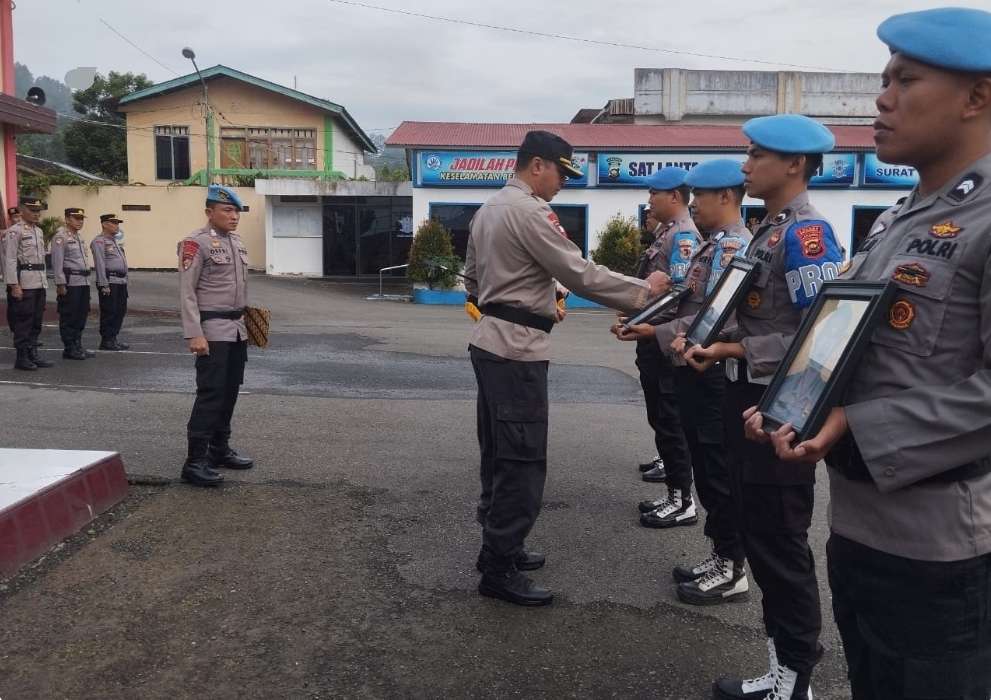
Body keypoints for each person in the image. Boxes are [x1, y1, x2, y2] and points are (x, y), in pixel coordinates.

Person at [747, 8, 991, 699]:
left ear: (976, 97)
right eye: (883, 78)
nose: (879, 99)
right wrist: (787, 403)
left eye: (904, 79)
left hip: (939, 549)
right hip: (858, 528)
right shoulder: (897, 217)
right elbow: (841, 337)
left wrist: (857, 423)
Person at [465, 130, 670, 607]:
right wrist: (646, 291)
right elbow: (579, 272)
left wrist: (526, 298)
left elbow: (474, 278)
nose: (563, 183)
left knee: (498, 452)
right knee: (521, 459)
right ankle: (498, 567)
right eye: (561, 172)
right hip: (517, 349)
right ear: (537, 165)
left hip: (492, 342)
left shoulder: (490, 208)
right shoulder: (530, 211)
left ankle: (500, 547)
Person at [680, 115, 843, 700]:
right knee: (759, 532)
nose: (745, 165)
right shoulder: (767, 230)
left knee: (778, 539)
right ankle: (783, 666)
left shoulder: (807, 235)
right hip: (745, 394)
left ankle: (793, 675)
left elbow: (820, 334)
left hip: (779, 401)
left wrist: (732, 347)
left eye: (756, 155)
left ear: (795, 164)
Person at [616, 158, 753, 604]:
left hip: (710, 370)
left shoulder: (733, 247)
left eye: (702, 197)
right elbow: (684, 300)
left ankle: (731, 568)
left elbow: (717, 318)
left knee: (717, 472)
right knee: (706, 467)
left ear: (726, 197)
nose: (694, 205)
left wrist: (653, 331)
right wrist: (647, 324)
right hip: (692, 364)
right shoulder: (714, 245)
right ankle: (721, 556)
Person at [631, 166, 700, 534]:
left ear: (673, 196)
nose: (649, 200)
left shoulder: (684, 237)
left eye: (654, 194)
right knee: (661, 419)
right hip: (652, 337)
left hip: (664, 342)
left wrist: (645, 322)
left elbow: (676, 295)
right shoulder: (669, 235)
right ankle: (674, 490)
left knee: (671, 422)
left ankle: (682, 500)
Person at [179, 185, 254, 487]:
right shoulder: (195, 243)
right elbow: (187, 293)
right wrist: (194, 333)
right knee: (210, 394)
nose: (234, 216)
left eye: (236, 211)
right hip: (212, 331)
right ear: (209, 212)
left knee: (230, 392)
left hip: (237, 330)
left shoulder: (236, 242)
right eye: (227, 210)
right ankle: (195, 462)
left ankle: (218, 449)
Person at [4, 197, 54, 371]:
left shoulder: (38, 231)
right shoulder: (14, 231)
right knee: (24, 320)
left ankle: (33, 353)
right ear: (22, 210)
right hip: (24, 282)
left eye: (38, 211)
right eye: (33, 211)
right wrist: (14, 284)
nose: (36, 214)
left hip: (39, 281)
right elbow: (9, 259)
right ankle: (22, 357)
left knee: (36, 320)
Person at [51, 207, 95, 360]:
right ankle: (69, 347)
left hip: (83, 281)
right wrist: (60, 284)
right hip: (70, 282)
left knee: (81, 315)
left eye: (81, 219)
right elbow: (57, 263)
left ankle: (77, 344)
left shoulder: (79, 237)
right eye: (76, 218)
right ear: (67, 219)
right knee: (69, 315)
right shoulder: (60, 237)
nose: (80, 221)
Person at [91, 213, 129, 351]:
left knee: (120, 310)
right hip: (110, 281)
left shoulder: (114, 241)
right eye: (113, 222)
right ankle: (106, 340)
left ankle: (113, 338)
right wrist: (103, 284)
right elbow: (100, 264)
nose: (116, 225)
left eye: (117, 223)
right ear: (104, 224)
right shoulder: (99, 241)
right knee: (109, 311)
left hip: (120, 281)